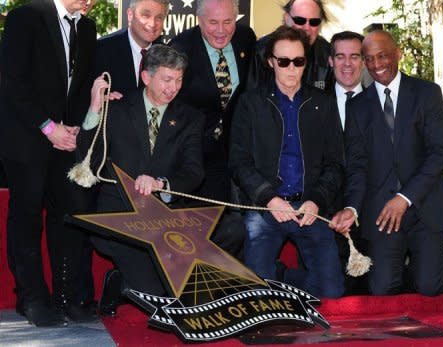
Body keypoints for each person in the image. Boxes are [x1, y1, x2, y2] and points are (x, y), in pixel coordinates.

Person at [330, 30, 443, 296]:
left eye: (382, 56)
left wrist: (405, 197)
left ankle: (432, 268)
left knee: (430, 287)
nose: (376, 65)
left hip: (424, 207)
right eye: (369, 59)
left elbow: (439, 152)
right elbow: (357, 166)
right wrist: (352, 208)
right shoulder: (358, 107)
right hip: (381, 214)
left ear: (398, 53)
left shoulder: (427, 93)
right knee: (382, 288)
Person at [82, 44, 204, 314]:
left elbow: (194, 172)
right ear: (147, 77)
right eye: (167, 79)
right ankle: (124, 282)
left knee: (166, 288)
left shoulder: (190, 119)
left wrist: (161, 183)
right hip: (119, 217)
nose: (173, 87)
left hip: (164, 217)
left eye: (179, 79)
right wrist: (94, 108)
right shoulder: (117, 109)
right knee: (153, 292)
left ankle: (121, 283)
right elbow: (87, 158)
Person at [0, 0, 97, 326]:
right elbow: (13, 82)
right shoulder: (25, 17)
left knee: (67, 215)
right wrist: (47, 126)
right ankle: (31, 298)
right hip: (27, 139)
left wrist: (73, 126)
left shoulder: (87, 26)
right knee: (26, 217)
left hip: (64, 139)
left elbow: (79, 85)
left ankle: (65, 297)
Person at [230, 26, 345, 298]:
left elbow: (335, 164)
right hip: (265, 209)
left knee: (331, 294)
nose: (292, 69)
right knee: (258, 295)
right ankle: (276, 285)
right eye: (283, 62)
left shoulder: (324, 104)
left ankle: (285, 279)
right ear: (271, 62)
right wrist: (269, 199)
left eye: (299, 61)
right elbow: (238, 162)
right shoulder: (250, 104)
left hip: (310, 208)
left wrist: (316, 200)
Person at [169, 0, 255, 260]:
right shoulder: (181, 47)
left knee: (236, 227)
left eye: (228, 22)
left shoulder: (246, 39)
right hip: (196, 154)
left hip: (234, 149)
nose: (221, 30)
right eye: (213, 23)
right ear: (198, 19)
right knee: (207, 225)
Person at [328, 30, 368, 295]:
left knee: (376, 286)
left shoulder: (379, 102)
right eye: (340, 56)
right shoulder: (314, 103)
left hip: (367, 206)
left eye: (354, 56)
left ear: (363, 61)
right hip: (324, 205)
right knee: (332, 287)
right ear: (330, 61)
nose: (347, 64)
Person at [247, 0, 332, 91]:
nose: (307, 28)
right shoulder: (261, 51)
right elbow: (252, 98)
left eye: (314, 22)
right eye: (300, 20)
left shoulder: (328, 53)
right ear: (286, 18)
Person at [95, 0, 169, 95]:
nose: (152, 24)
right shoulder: (101, 50)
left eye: (159, 17)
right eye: (146, 15)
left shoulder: (168, 56)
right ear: (130, 15)